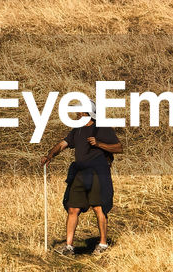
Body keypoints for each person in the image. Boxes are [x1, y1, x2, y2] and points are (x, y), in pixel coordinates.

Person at [41, 100, 123, 256]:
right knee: (73, 208)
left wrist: (99, 144)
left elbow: (118, 148)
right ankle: (69, 247)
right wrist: (50, 155)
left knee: (99, 207)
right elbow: (62, 144)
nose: (76, 114)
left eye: (79, 111)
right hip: (79, 173)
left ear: (87, 112)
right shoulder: (76, 130)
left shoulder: (102, 128)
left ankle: (103, 245)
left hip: (97, 172)